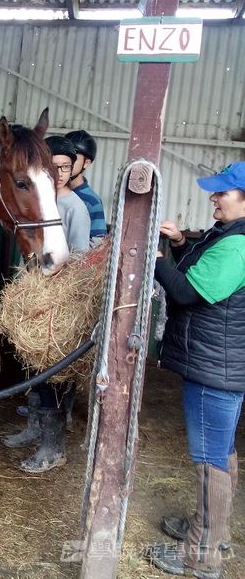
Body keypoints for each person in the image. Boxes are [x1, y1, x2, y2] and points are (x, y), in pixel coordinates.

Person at [147, 162, 245, 578]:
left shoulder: (239, 246)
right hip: (219, 363)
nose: (213, 197)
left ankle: (201, 557)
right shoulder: (228, 236)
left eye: (223, 192)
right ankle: (211, 532)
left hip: (215, 370)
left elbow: (187, 291)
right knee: (220, 452)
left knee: (210, 459)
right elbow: (202, 257)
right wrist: (179, 240)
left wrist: (154, 259)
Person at [3, 136, 90, 473]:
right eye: (52, 168)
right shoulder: (39, 203)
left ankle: (53, 447)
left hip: (59, 301)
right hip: (36, 297)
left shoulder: (74, 207)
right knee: (34, 369)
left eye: (65, 167)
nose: (59, 173)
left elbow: (80, 258)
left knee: (54, 376)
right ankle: (34, 428)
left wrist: (57, 291)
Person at [65, 129, 107, 241]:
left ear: (87, 162)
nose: (67, 162)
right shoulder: (49, 193)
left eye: (74, 158)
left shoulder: (92, 201)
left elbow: (97, 243)